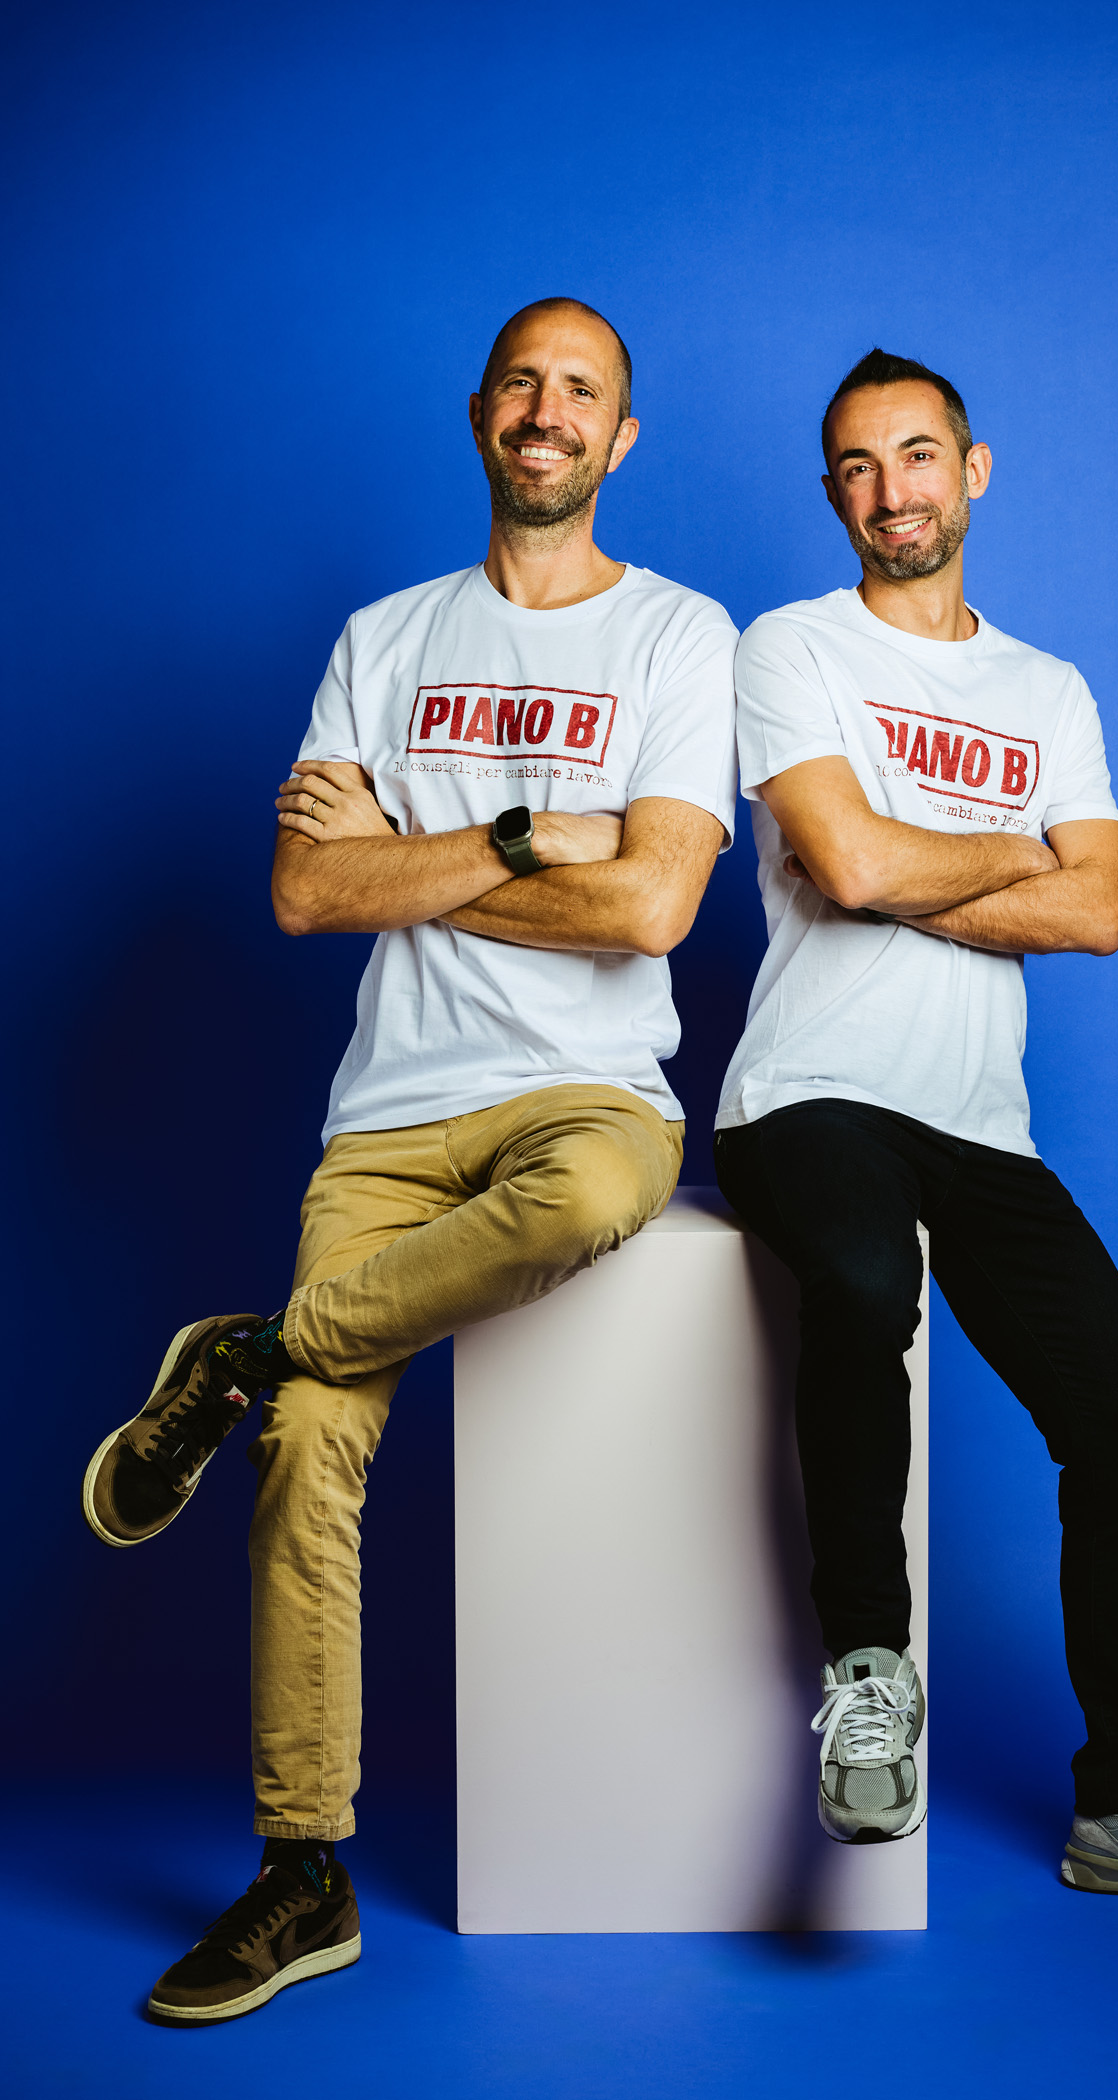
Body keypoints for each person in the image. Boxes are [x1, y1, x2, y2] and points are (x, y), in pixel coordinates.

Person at [82, 297, 738, 2020]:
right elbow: (309, 892)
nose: (547, 411)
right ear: (479, 414)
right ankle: (304, 1873)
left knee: (602, 1191)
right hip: (387, 1117)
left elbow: (654, 906)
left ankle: (242, 1350)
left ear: (620, 439)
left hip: (587, 1095)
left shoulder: (681, 637)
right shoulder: (383, 637)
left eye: (581, 392)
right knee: (311, 1446)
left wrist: (420, 854)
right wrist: (527, 835)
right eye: (523, 382)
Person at [713, 348, 1118, 1907]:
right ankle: (871, 1675)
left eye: (918, 455)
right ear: (832, 494)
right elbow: (849, 868)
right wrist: (1008, 851)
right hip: (809, 1094)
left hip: (981, 1124)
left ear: (972, 471)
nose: (892, 491)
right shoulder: (791, 646)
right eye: (859, 466)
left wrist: (912, 856)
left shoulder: (1049, 690)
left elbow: (1099, 906)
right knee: (867, 1284)